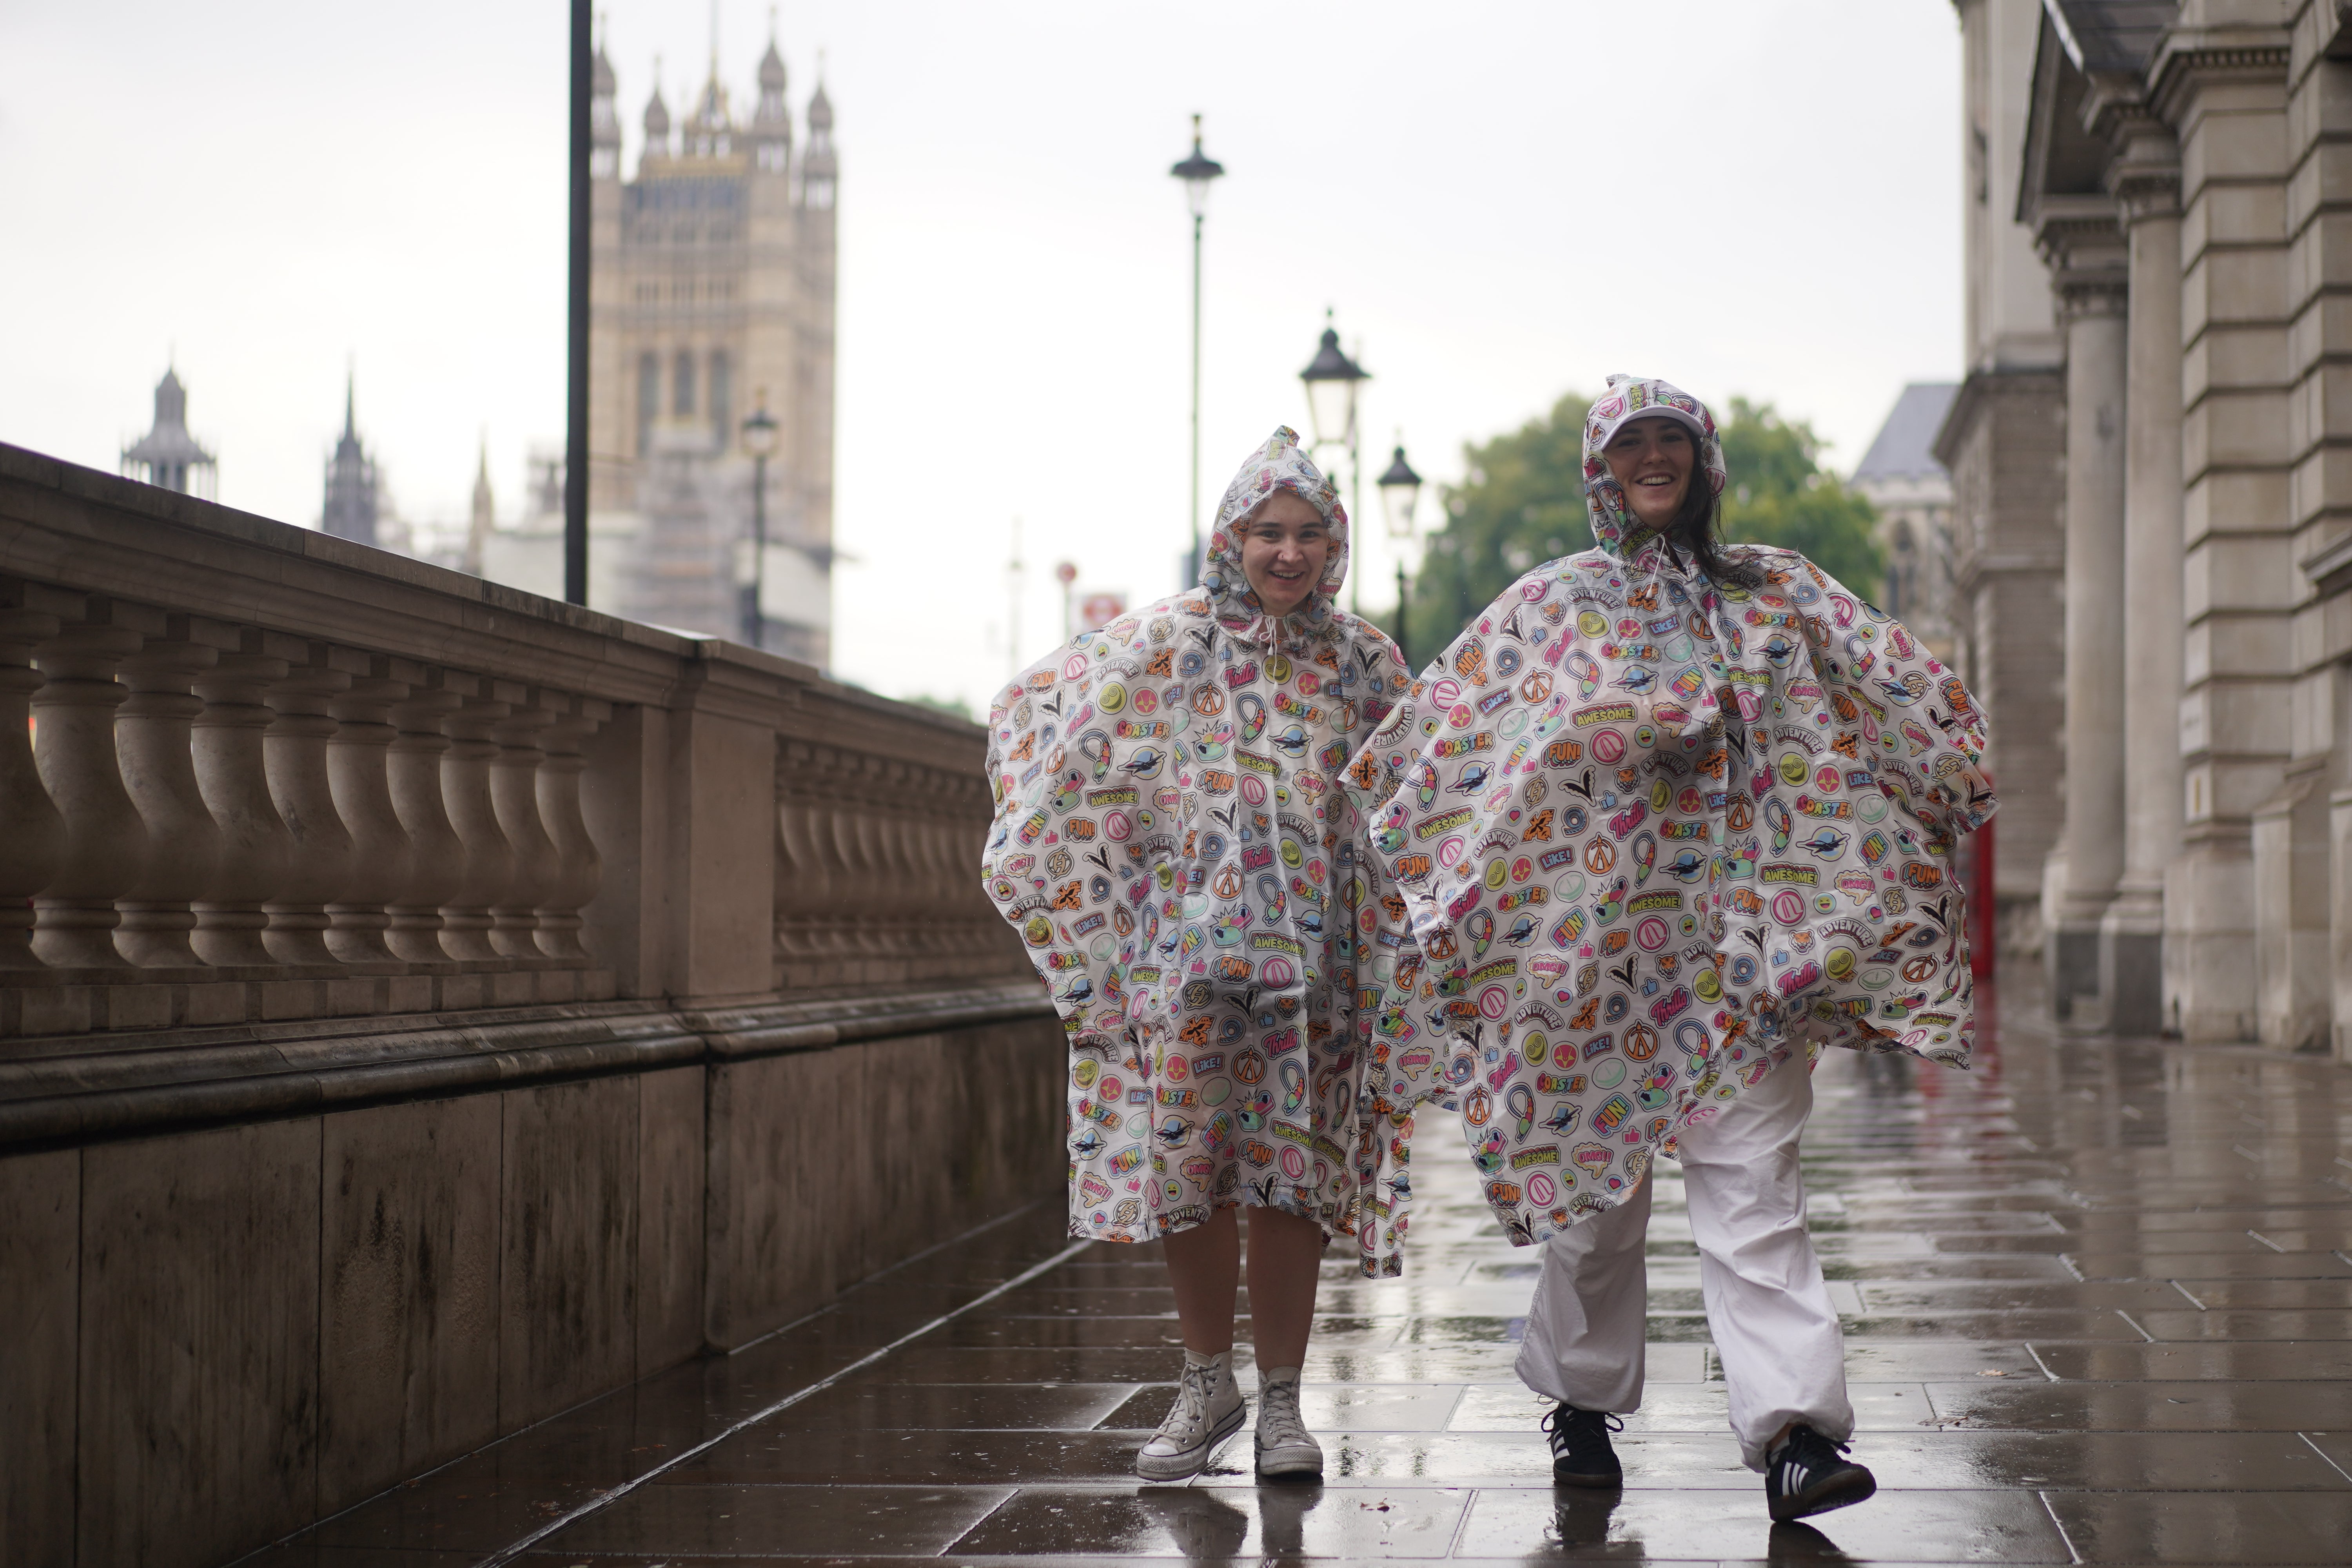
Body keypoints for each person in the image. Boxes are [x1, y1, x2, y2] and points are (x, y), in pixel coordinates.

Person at [1347, 376, 1995, 1522]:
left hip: (1745, 969)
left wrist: (1948, 778)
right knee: (1596, 1213)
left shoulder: (1778, 591)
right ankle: (1584, 1407)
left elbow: (1899, 693)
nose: (1654, 460)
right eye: (1632, 444)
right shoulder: (1551, 608)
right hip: (1590, 972)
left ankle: (1797, 1437)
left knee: (1758, 1200)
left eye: (1673, 442)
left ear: (1703, 460)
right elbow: (1449, 750)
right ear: (1602, 468)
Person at [982, 428, 1412, 1482]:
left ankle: (1280, 1407)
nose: (1289, 554)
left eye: (1311, 534)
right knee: (1194, 1173)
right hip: (1186, 964)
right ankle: (1204, 1382)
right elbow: (1036, 712)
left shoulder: (1363, 660)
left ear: (1335, 543)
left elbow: (1411, 797)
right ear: (1231, 537)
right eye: (1268, 532)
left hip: (1316, 973)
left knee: (1292, 1182)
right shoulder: (1164, 643)